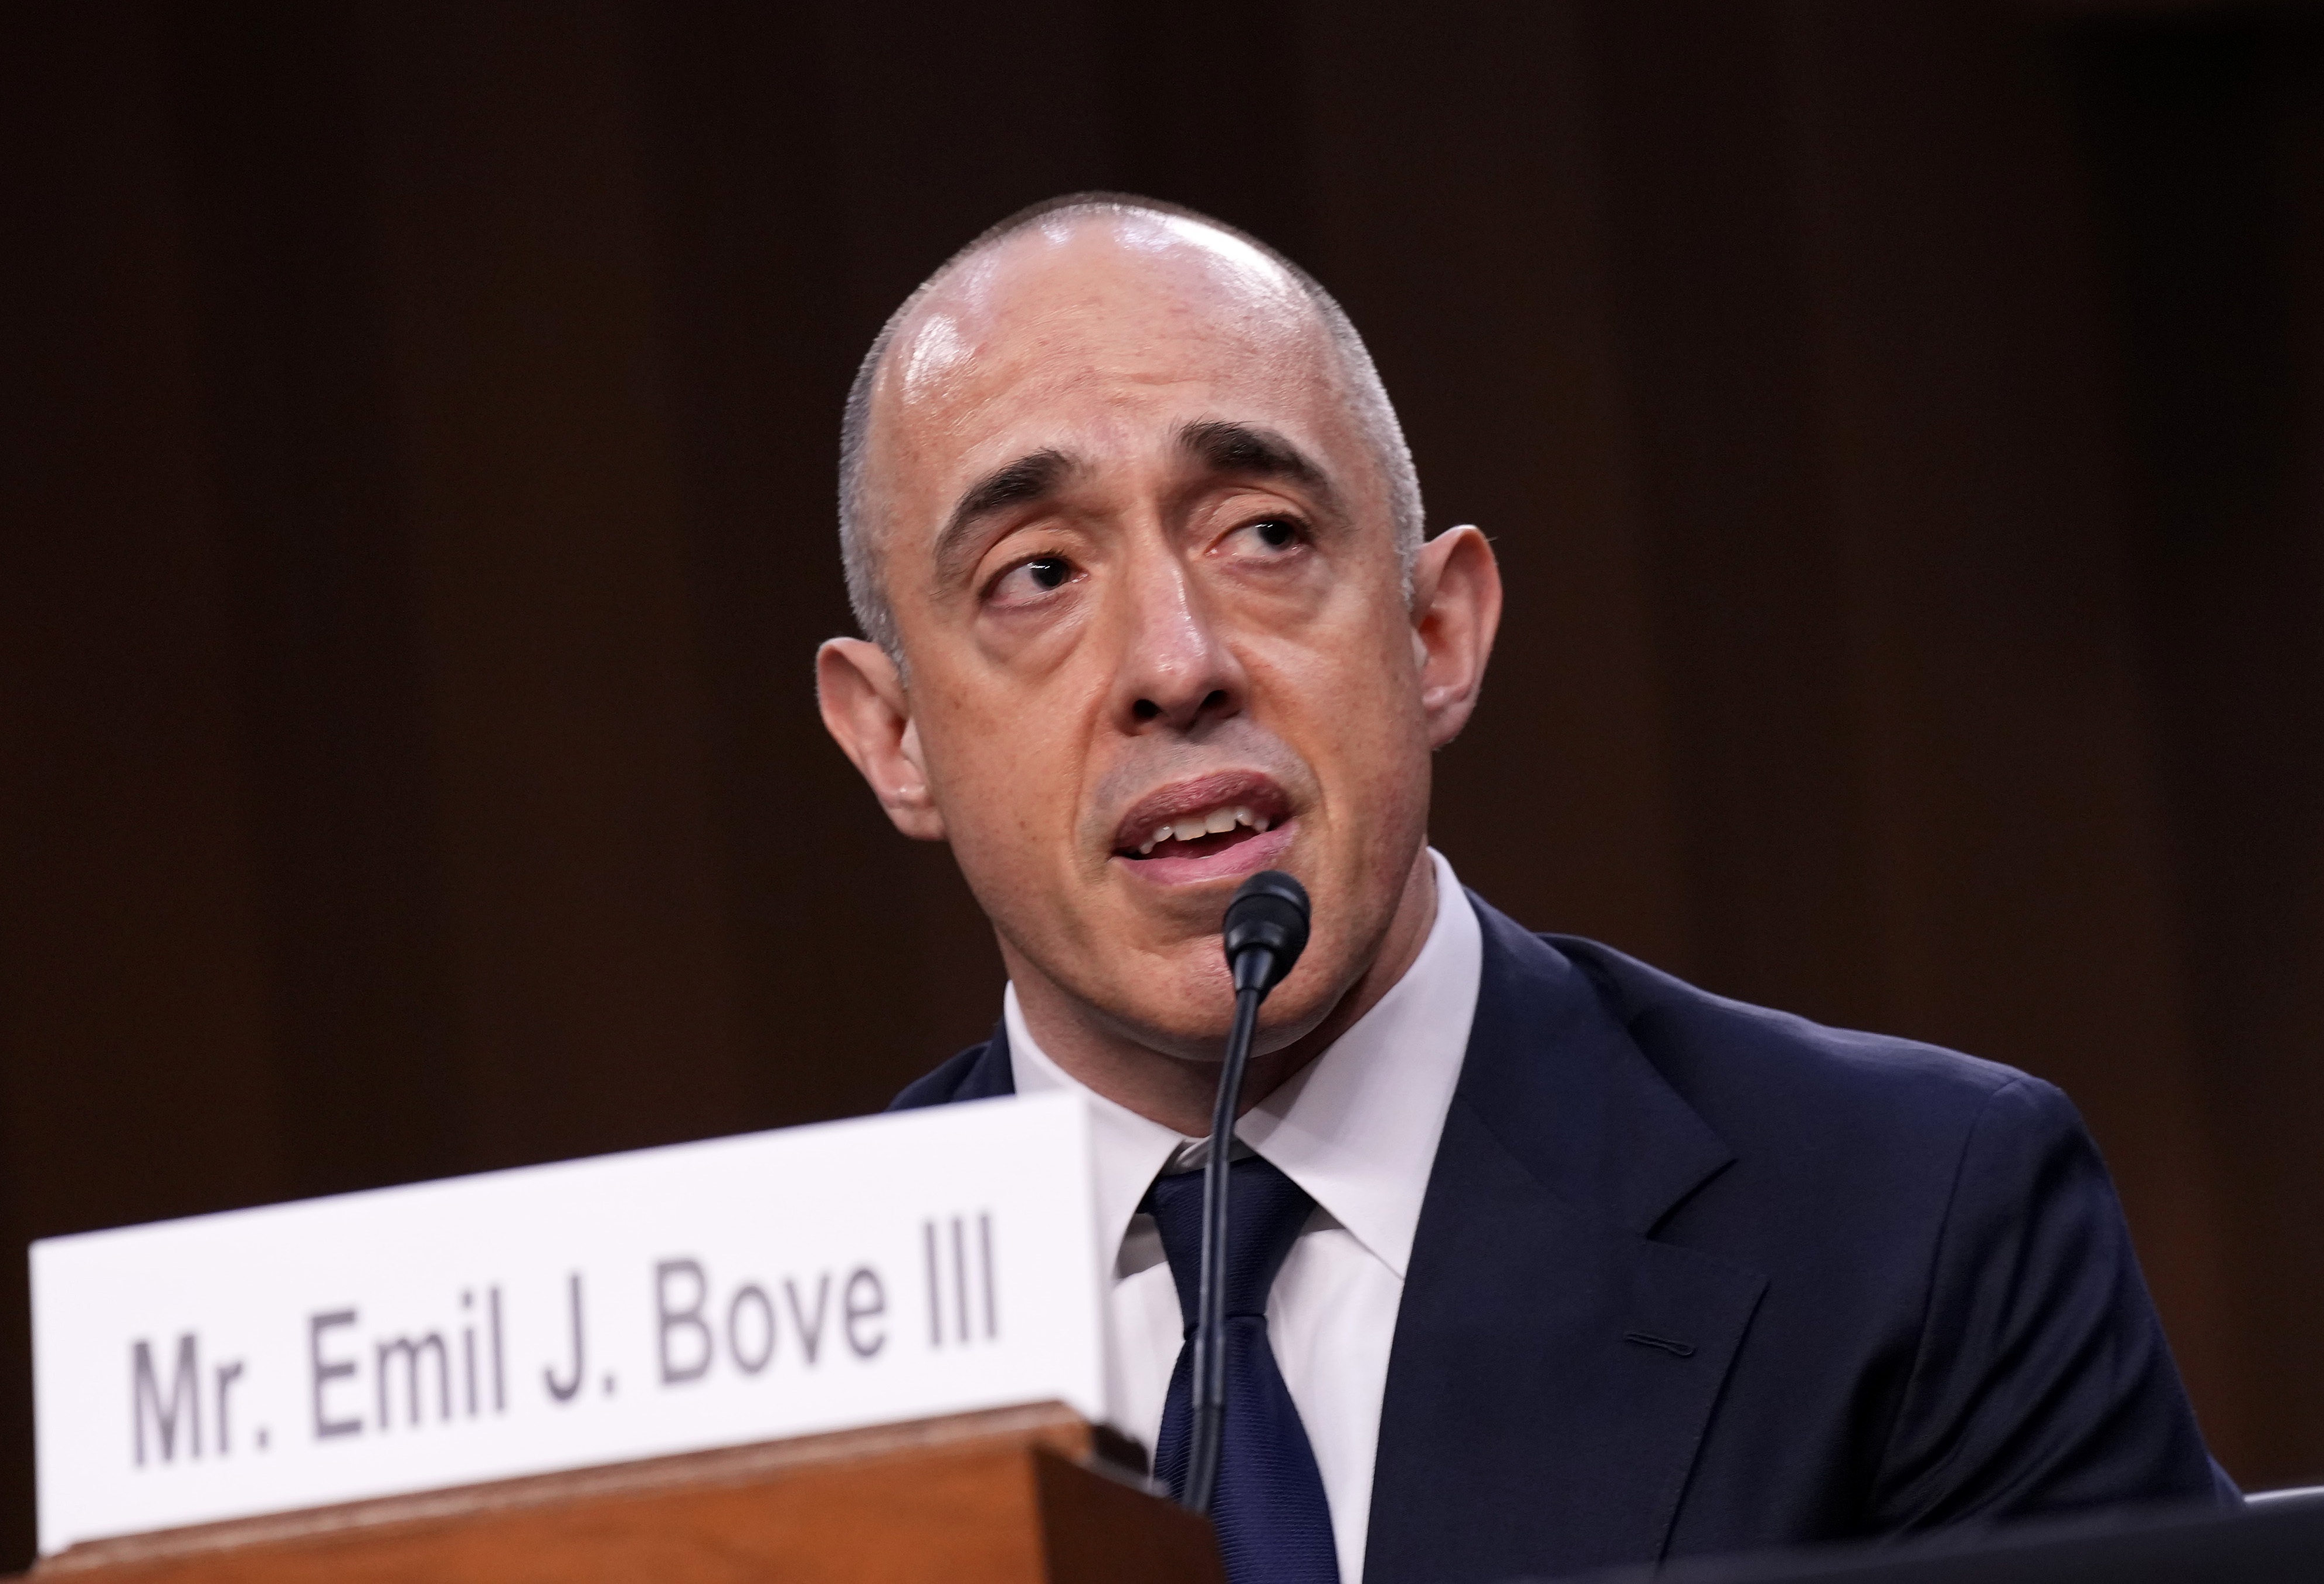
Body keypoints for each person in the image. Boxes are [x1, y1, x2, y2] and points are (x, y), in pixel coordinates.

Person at [814, 193, 2230, 1584]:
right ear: (893, 738)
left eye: (1264, 534)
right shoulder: (770, 1351)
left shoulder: (1912, 1219)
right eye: (1037, 571)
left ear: (1436, 631)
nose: (1175, 661)